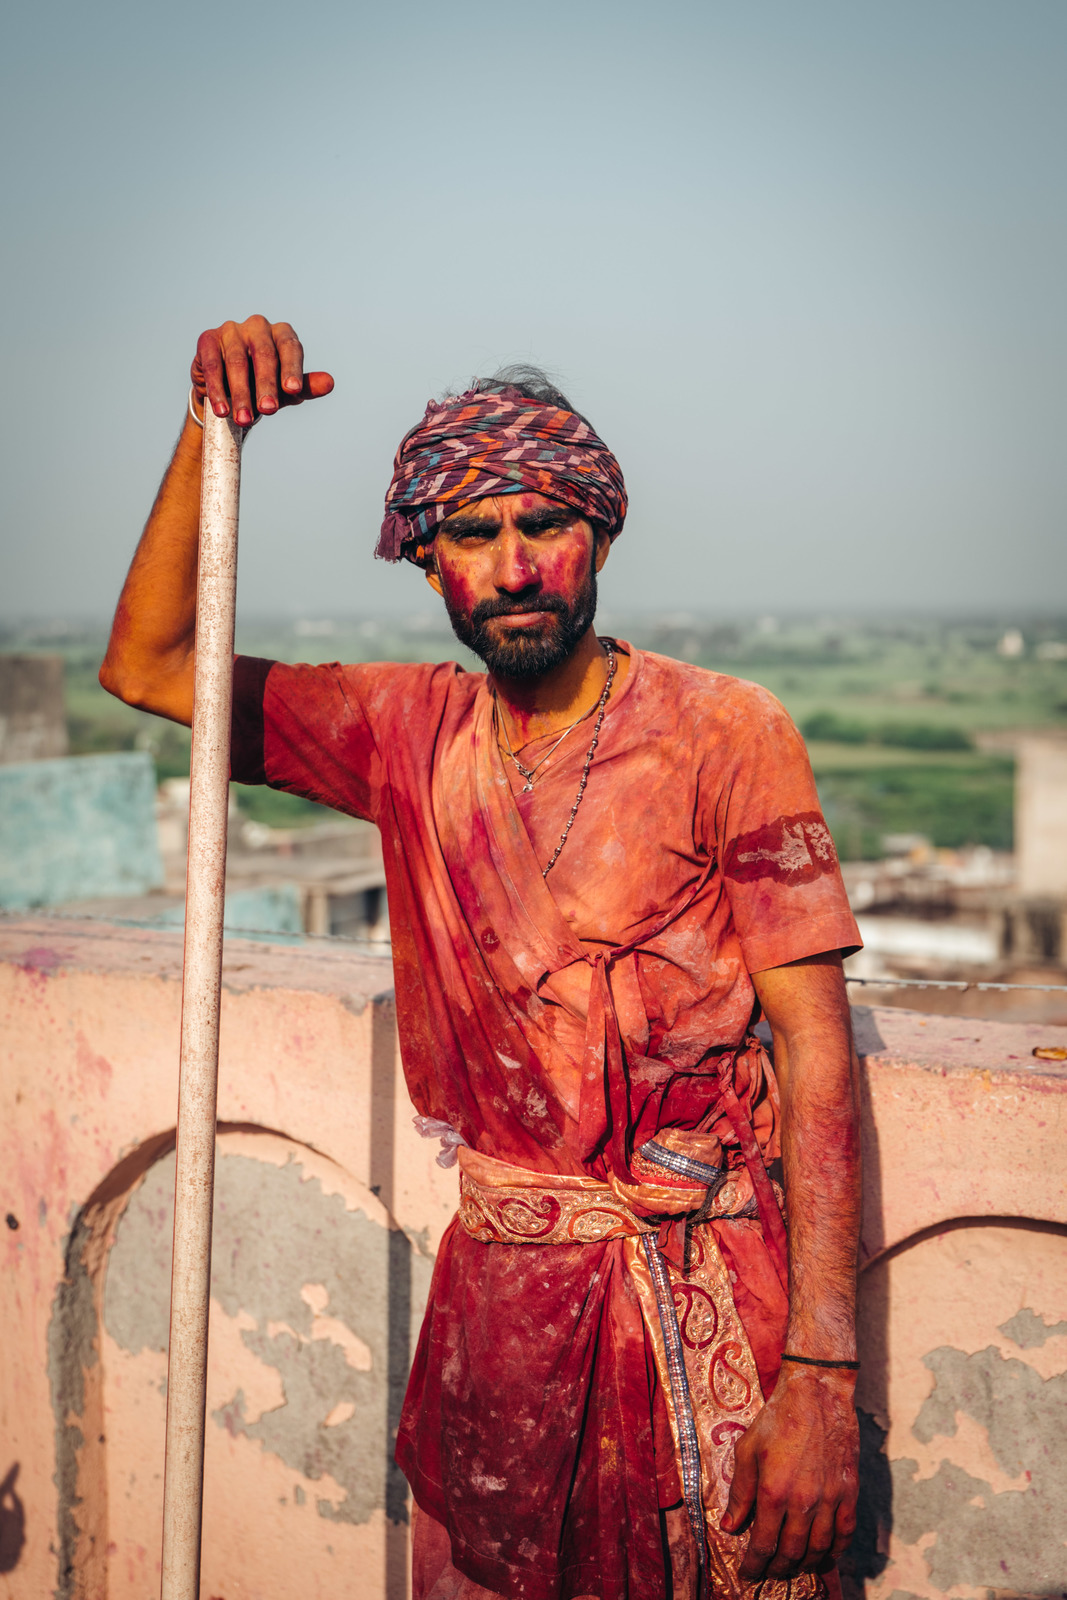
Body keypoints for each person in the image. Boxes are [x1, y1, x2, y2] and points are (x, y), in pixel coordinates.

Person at [101, 315, 863, 1600]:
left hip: (702, 1302)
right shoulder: (404, 733)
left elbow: (818, 1048)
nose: (514, 569)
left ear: (602, 537)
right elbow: (152, 665)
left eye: (543, 524)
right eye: (469, 534)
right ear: (426, 564)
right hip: (502, 1309)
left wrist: (824, 1383)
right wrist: (207, 429)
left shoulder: (724, 731)